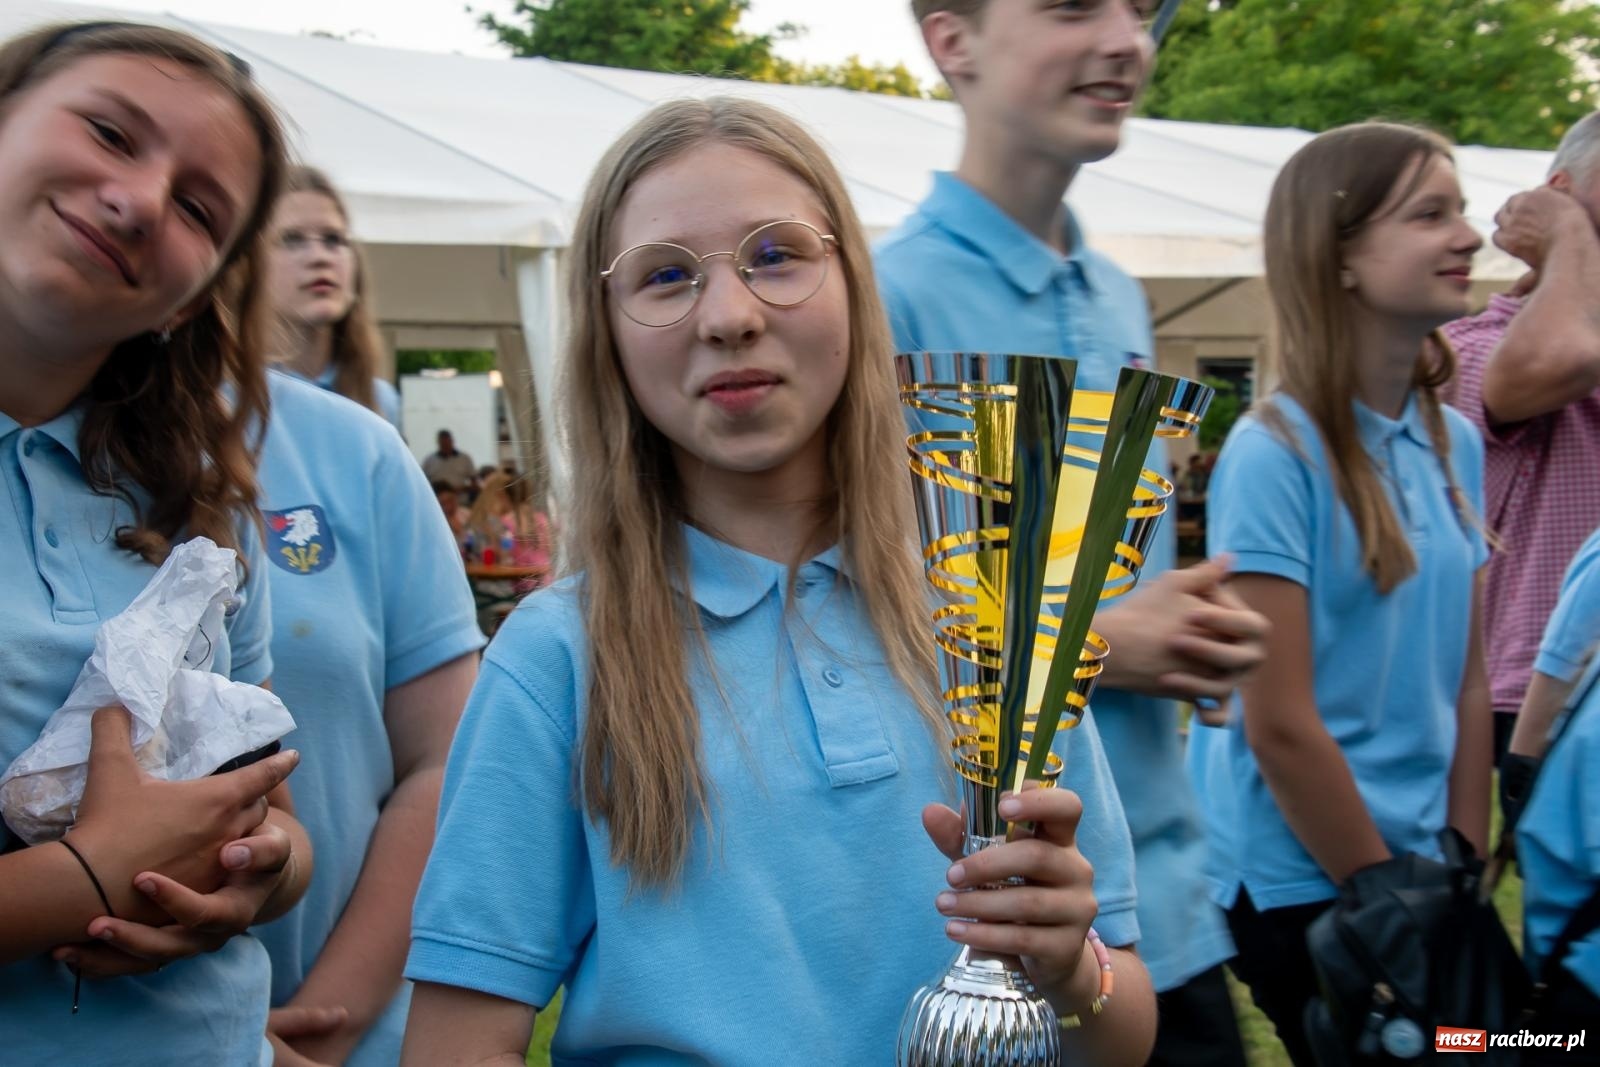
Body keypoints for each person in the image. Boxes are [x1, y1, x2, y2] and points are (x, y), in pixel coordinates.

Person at [401, 96, 1157, 1065]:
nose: (729, 315)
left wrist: (1068, 969)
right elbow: (456, 1042)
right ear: (608, 335)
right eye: (666, 276)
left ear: (853, 285)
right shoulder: (557, 658)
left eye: (777, 255)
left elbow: (1121, 1030)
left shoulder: (993, 609)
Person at [878, 4, 1267, 1063]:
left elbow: (1109, 577)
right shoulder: (885, 301)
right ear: (952, 40)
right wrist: (1110, 640)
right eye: (1069, 6)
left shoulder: (1114, 298)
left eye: (1139, 10)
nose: (1126, 41)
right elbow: (848, 607)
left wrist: (1183, 631)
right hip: (998, 933)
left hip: (1160, 905)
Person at [0, 20, 313, 1065]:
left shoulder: (195, 501)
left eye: (196, 208)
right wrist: (84, 878)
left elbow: (271, 804)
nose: (137, 200)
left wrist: (261, 868)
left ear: (192, 297)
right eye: (108, 132)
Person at [1196, 122, 1491, 1066]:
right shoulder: (1274, 452)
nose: (1470, 236)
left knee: (1526, 1040)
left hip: (1424, 871)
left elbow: (1468, 677)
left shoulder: (1457, 442)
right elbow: (1278, 722)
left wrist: (1461, 859)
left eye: (1464, 209)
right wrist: (1389, 904)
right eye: (1430, 214)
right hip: (1308, 885)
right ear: (1344, 258)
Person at [248, 368, 483, 1067]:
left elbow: (447, 759)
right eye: (296, 243)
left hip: (354, 1033)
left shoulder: (354, 448)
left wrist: (328, 1026)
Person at [1440, 110, 1600, 801]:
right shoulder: (1467, 343)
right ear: (1559, 191)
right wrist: (1566, 232)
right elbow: (1553, 363)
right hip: (1533, 685)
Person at [265, 165, 403, 428]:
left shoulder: (381, 402)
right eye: (292, 239)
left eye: (333, 239)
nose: (319, 257)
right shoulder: (220, 398)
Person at [422, 429, 475, 495]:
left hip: (460, 499)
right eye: (443, 443)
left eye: (447, 442)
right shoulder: (429, 460)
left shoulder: (465, 459)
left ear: (452, 441)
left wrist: (462, 489)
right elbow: (422, 482)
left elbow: (474, 481)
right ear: (438, 443)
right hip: (437, 499)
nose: (445, 445)